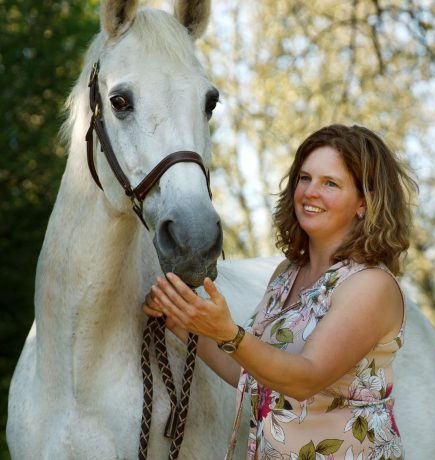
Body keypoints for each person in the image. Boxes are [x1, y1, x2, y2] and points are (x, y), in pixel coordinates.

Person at [142, 124, 417, 459]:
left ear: (364, 202)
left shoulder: (370, 285)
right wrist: (185, 323)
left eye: (330, 183)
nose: (310, 192)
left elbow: (306, 379)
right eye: (305, 178)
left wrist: (229, 333)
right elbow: (256, 378)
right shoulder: (288, 273)